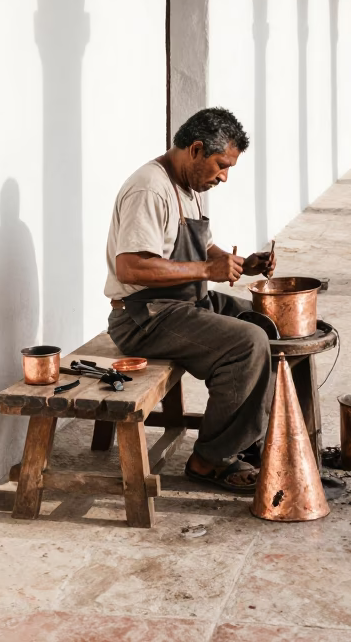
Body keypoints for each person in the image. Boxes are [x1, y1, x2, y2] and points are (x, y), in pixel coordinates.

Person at [105, 106, 276, 494]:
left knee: (264, 321)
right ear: (196, 149)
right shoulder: (150, 188)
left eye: (229, 167)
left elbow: (199, 246)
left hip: (181, 304)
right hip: (144, 316)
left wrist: (237, 263)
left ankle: (249, 440)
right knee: (248, 344)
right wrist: (205, 271)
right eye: (221, 165)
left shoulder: (188, 185)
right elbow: (131, 267)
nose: (224, 176)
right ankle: (209, 460)